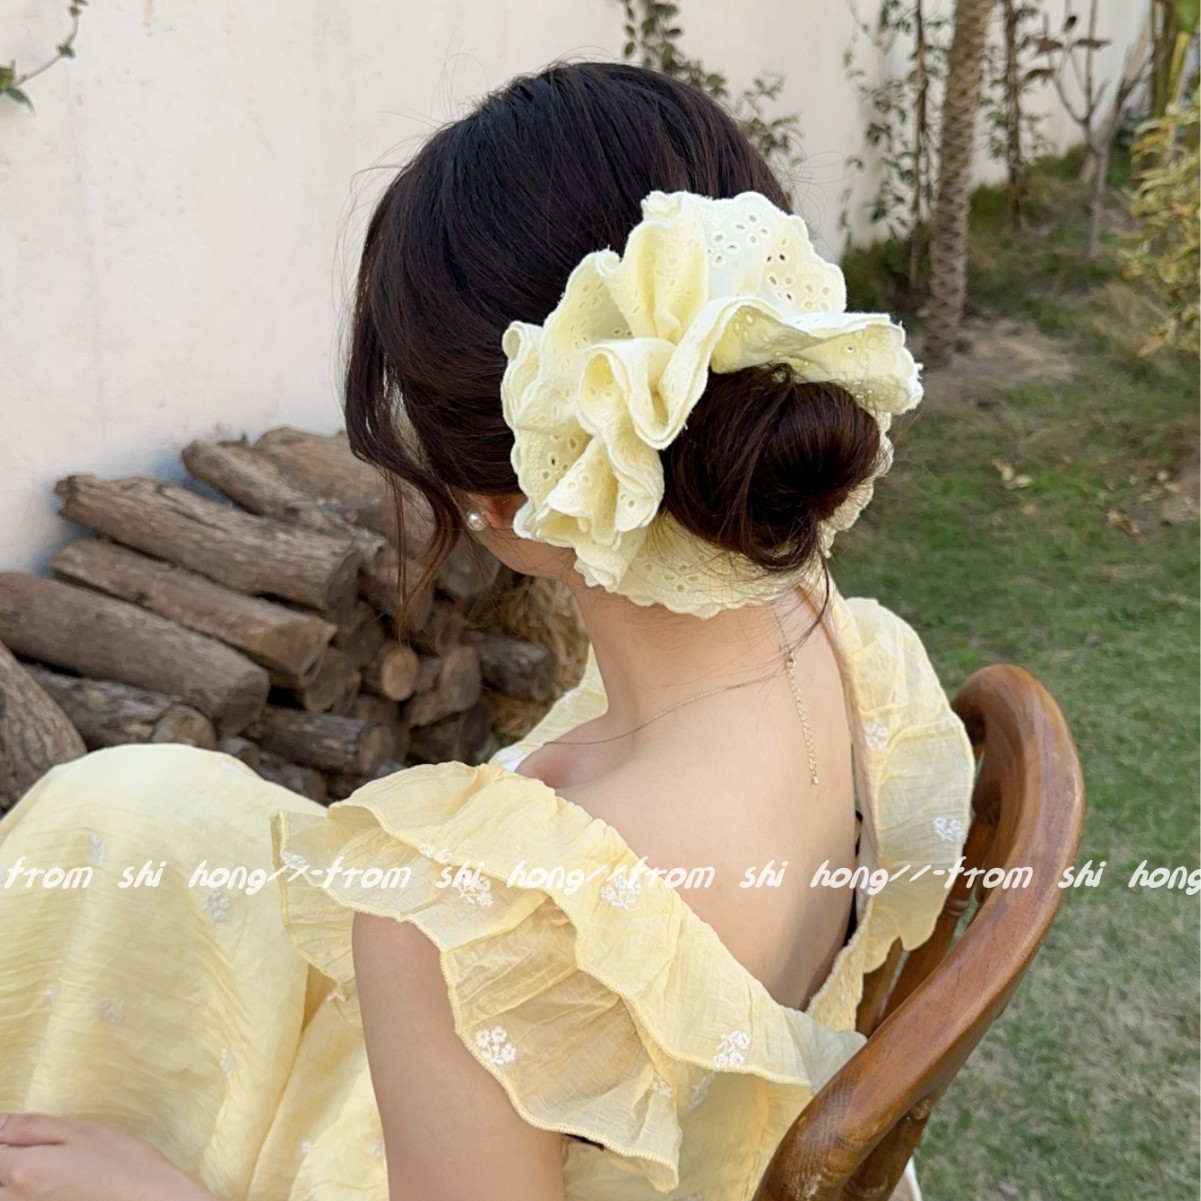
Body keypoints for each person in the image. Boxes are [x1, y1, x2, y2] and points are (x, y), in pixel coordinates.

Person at [0, 60, 974, 1201]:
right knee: (130, 806)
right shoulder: (862, 657)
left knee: (90, 886)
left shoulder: (482, 911)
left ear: (503, 503)